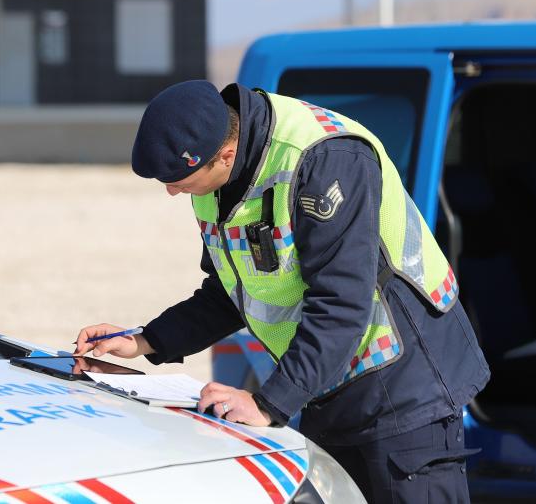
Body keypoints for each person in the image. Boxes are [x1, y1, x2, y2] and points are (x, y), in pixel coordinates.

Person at [75, 80, 490, 503]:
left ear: (226, 156)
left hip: (406, 388)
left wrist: (269, 403)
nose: (172, 191)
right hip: (329, 384)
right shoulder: (218, 180)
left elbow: (342, 304)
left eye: (179, 181)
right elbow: (230, 292)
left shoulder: (326, 160)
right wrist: (145, 340)